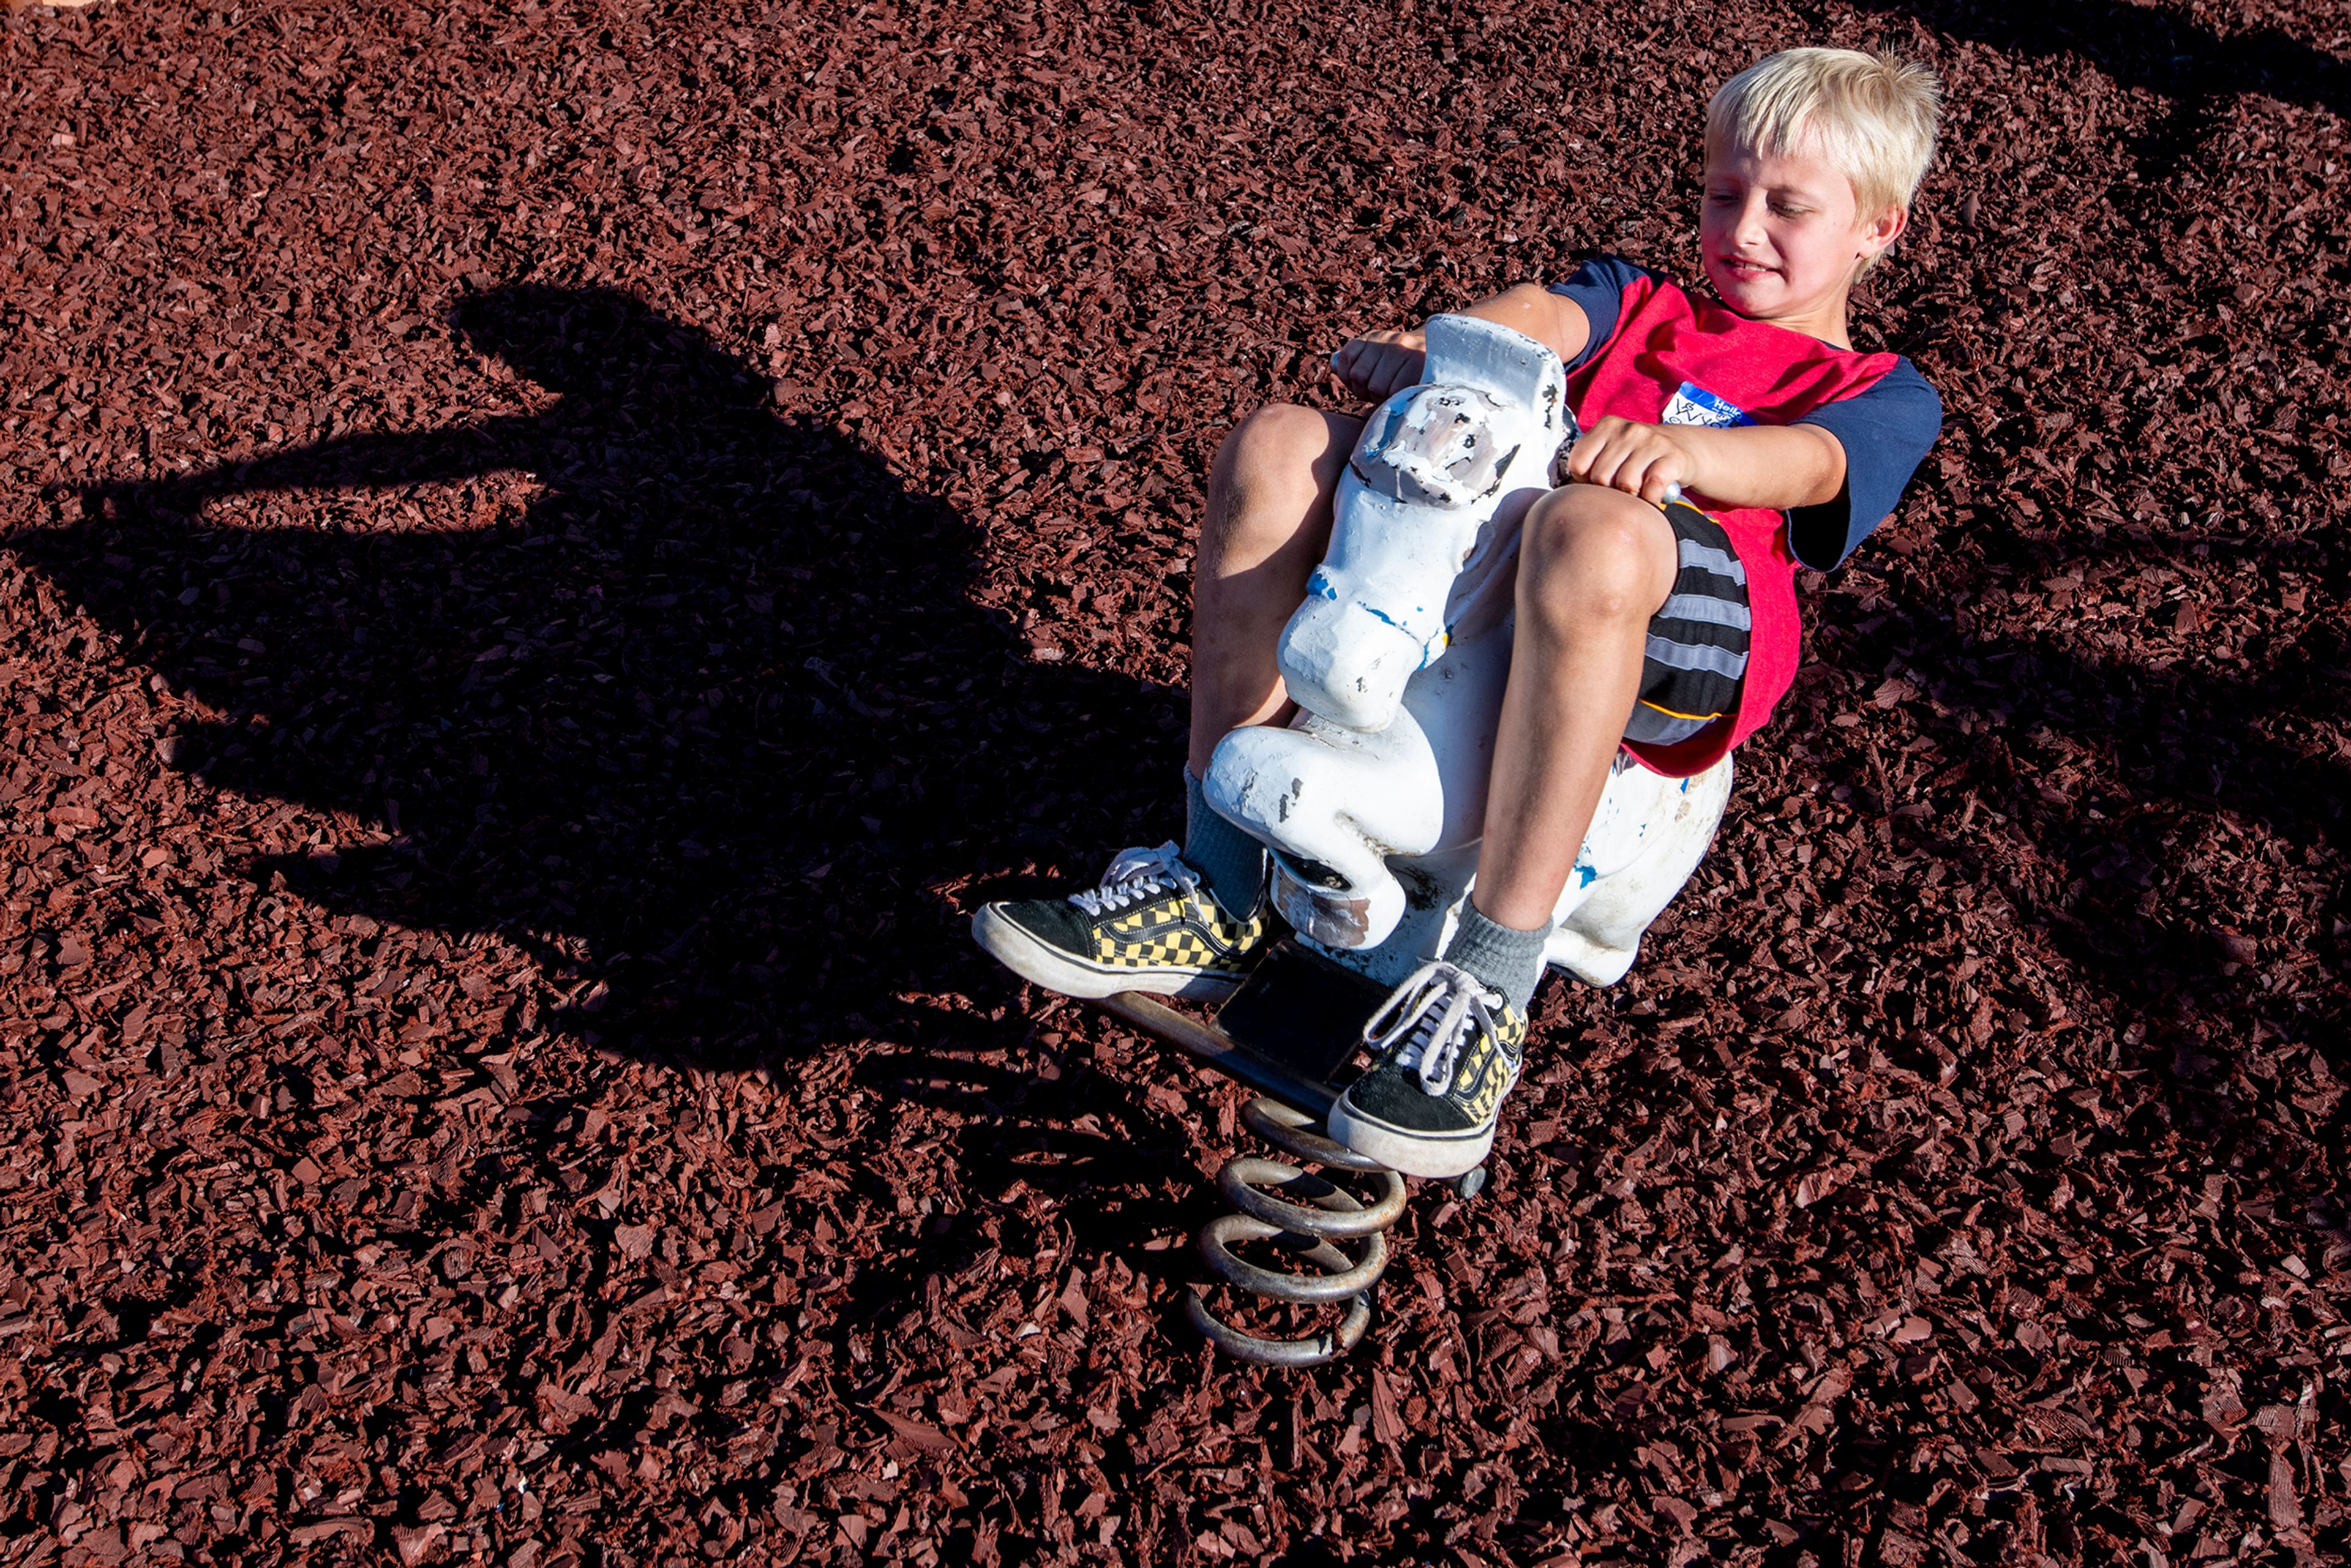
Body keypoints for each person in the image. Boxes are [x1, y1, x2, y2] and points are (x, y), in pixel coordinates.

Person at [973, 48, 1946, 1177]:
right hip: (1497, 596)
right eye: (1724, 194)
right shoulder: (1641, 302)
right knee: (1284, 443)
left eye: (1790, 206)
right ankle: (1217, 881)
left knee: (1592, 523)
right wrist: (1445, 351)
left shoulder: (1875, 390)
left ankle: (1491, 980)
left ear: (1881, 229)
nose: (1743, 227)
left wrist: (1690, 450)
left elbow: (1816, 465)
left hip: (1679, 653)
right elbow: (1534, 319)